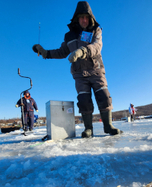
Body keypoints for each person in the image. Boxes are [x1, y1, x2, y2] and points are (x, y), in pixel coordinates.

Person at [32, 1, 122, 138]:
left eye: (86, 17)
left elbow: (97, 46)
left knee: (104, 97)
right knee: (84, 100)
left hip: (96, 70)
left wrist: (82, 51)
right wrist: (45, 53)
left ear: (90, 18)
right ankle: (88, 129)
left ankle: (108, 126)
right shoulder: (69, 36)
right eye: (81, 17)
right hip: (79, 74)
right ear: (76, 19)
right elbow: (62, 52)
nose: (84, 20)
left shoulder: (95, 31)